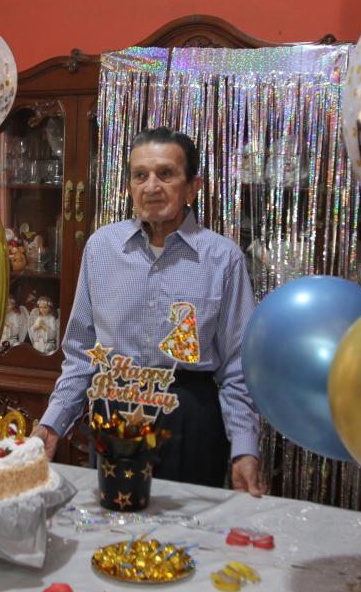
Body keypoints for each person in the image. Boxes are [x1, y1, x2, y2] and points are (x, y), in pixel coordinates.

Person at [30, 127, 263, 495]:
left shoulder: (223, 258)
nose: (151, 186)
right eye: (140, 175)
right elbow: (80, 355)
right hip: (114, 416)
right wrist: (53, 424)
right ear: (129, 186)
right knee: (112, 530)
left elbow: (238, 369)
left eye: (166, 174)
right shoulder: (101, 249)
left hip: (191, 417)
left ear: (192, 187)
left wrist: (244, 450)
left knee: (189, 541)